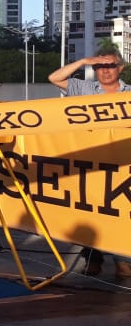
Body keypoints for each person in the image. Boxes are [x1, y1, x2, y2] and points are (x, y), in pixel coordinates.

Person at [48, 43, 131, 281]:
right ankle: (93, 258)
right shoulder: (84, 88)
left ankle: (122, 260)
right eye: (100, 66)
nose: (105, 71)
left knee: (120, 214)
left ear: (120, 68)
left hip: (121, 164)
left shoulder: (129, 94)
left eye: (110, 66)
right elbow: (54, 77)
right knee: (88, 212)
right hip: (88, 164)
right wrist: (84, 62)